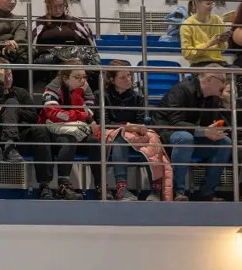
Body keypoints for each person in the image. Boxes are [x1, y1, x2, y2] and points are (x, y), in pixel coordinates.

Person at [0, 59, 56, 197]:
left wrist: (12, 109)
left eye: (10, 74)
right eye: (4, 76)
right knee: (11, 102)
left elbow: (33, 116)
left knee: (40, 130)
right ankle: (9, 146)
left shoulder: (21, 92)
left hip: (19, 138)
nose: (8, 79)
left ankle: (44, 185)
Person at [156, 66, 231, 202]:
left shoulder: (214, 98)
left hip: (192, 137)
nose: (224, 85)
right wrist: (203, 131)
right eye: (222, 80)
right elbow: (174, 123)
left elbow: (209, 126)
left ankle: (207, 192)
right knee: (185, 138)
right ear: (209, 79)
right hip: (167, 136)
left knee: (224, 142)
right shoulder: (180, 90)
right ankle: (177, 192)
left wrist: (214, 132)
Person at [102, 61, 172, 202]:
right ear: (112, 80)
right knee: (119, 139)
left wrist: (137, 128)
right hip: (112, 133)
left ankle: (155, 190)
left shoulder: (137, 97)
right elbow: (104, 121)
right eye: (123, 77)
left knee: (153, 139)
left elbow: (140, 120)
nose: (128, 79)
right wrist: (127, 127)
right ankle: (122, 189)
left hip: (134, 134)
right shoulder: (102, 95)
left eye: (129, 76)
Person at [39, 62, 101, 201]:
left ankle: (100, 185)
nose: (82, 80)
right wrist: (80, 115)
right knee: (69, 140)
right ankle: (64, 186)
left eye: (84, 76)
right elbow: (54, 114)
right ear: (65, 77)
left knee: (94, 142)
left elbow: (89, 114)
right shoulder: (52, 88)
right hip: (54, 130)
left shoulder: (85, 89)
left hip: (77, 129)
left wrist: (78, 94)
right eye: (77, 77)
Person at [32, 0, 99, 85]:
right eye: (54, 6)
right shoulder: (38, 23)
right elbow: (30, 49)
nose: (58, 9)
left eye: (61, 5)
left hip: (74, 65)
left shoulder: (77, 23)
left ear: (65, 4)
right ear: (47, 5)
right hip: (49, 66)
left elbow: (92, 48)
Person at [181, 0, 229, 67]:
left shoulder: (218, 20)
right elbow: (187, 54)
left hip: (219, 62)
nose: (211, 7)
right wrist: (209, 44)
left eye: (212, 3)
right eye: (208, 4)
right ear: (196, 3)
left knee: (240, 72)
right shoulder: (187, 25)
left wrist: (222, 42)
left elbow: (223, 49)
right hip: (199, 64)